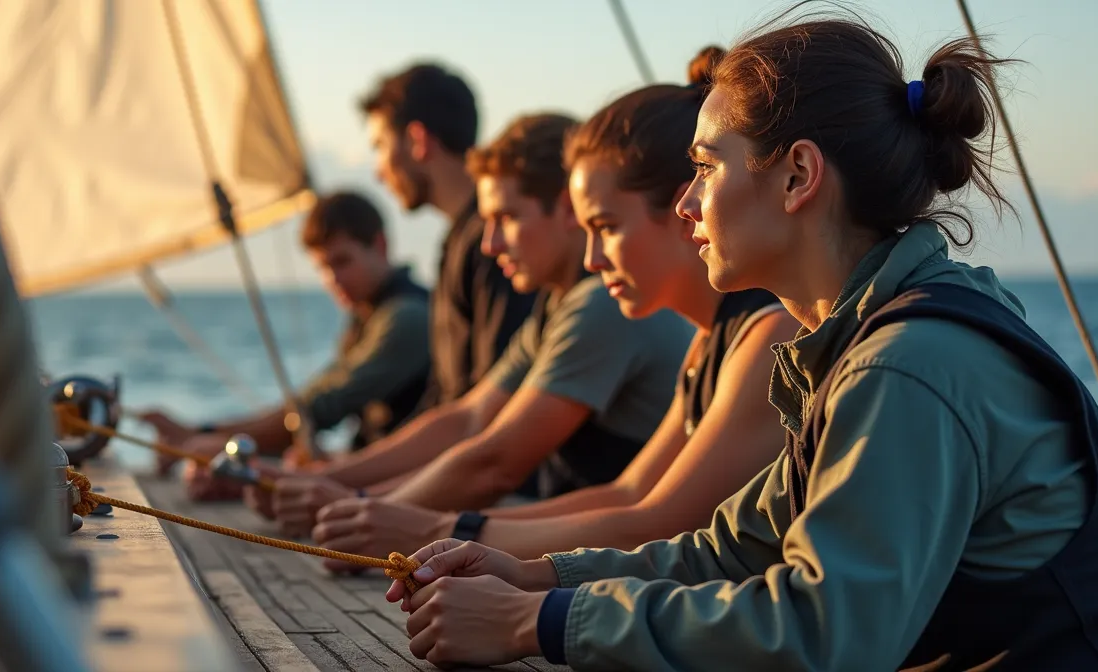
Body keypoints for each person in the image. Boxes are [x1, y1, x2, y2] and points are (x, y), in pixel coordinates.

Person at [385, 10, 1098, 671]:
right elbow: (732, 551)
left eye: (705, 168)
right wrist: (534, 577)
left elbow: (821, 633)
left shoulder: (911, 364)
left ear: (798, 176)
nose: (684, 206)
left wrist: (541, 624)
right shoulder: (856, 346)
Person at [309, 47, 798, 568]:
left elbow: (656, 521)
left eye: (605, 228)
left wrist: (435, 530)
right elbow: (628, 494)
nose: (592, 257)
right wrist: (441, 530)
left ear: (682, 212)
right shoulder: (713, 341)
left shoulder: (766, 336)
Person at [257, 112, 696, 537]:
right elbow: (467, 418)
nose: (491, 244)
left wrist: (360, 507)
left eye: (506, 218)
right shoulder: (557, 305)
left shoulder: (601, 306)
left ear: (566, 208)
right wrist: (339, 487)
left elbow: (496, 465)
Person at [141, 191, 432, 498]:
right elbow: (314, 398)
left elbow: (315, 410)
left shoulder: (407, 319)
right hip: (381, 475)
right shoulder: (368, 315)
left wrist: (209, 439)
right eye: (322, 267)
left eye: (342, 261)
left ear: (380, 246)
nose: (333, 279)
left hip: (409, 486)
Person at [361, 62, 537, 414]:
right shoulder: (460, 242)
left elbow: (485, 412)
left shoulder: (490, 249)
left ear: (418, 140)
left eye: (380, 145)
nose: (379, 172)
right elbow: (446, 401)